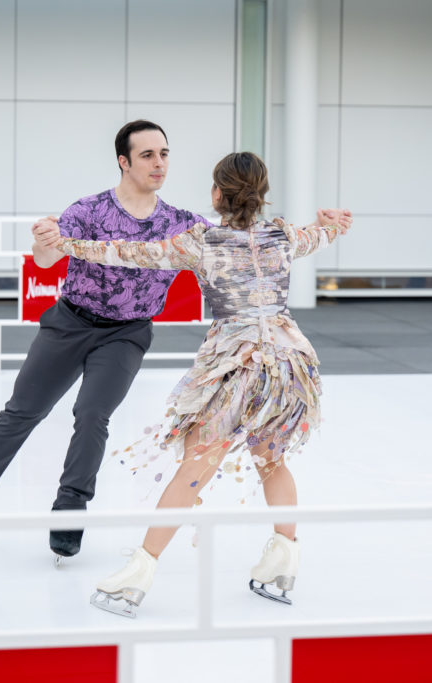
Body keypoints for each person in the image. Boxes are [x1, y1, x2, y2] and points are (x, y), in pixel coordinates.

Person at [36, 151, 353, 616]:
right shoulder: (284, 236)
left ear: (217, 194)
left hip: (236, 365)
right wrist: (334, 222)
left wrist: (68, 244)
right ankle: (283, 562)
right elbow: (323, 234)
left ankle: (137, 574)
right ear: (261, 194)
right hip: (286, 365)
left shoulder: (200, 242)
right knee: (271, 461)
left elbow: (128, 254)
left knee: (194, 467)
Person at [0, 120, 209, 564]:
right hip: (69, 324)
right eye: (147, 155)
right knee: (22, 411)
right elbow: (45, 260)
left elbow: (233, 244)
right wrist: (44, 241)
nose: (159, 164)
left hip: (127, 333)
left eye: (164, 154)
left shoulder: (181, 224)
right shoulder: (88, 211)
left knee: (92, 414)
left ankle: (69, 509)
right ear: (124, 161)